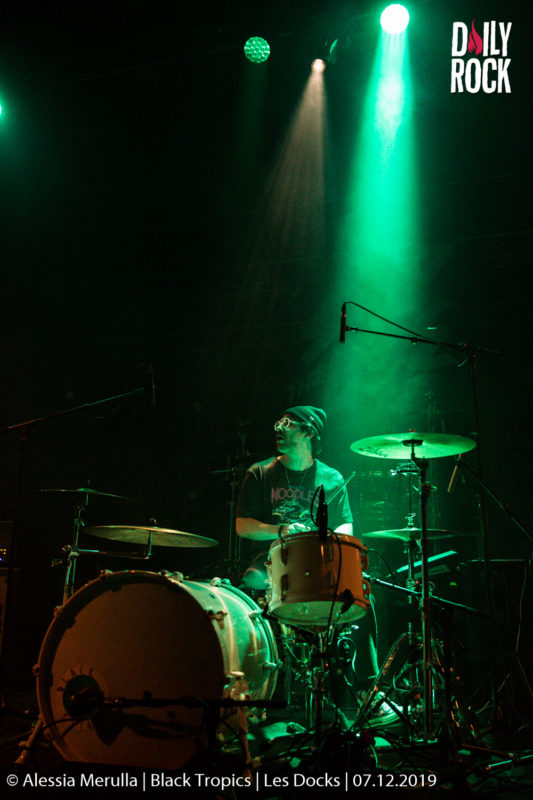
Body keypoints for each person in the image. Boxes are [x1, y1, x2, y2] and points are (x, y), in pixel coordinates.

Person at [236, 405, 394, 727]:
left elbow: (345, 528)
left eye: (287, 424)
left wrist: (322, 539)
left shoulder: (331, 478)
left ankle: (368, 690)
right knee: (246, 594)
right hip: (270, 562)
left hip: (316, 565)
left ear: (308, 432)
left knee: (360, 596)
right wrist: (280, 530)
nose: (278, 429)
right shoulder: (259, 473)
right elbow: (242, 525)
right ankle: (249, 692)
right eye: (278, 422)